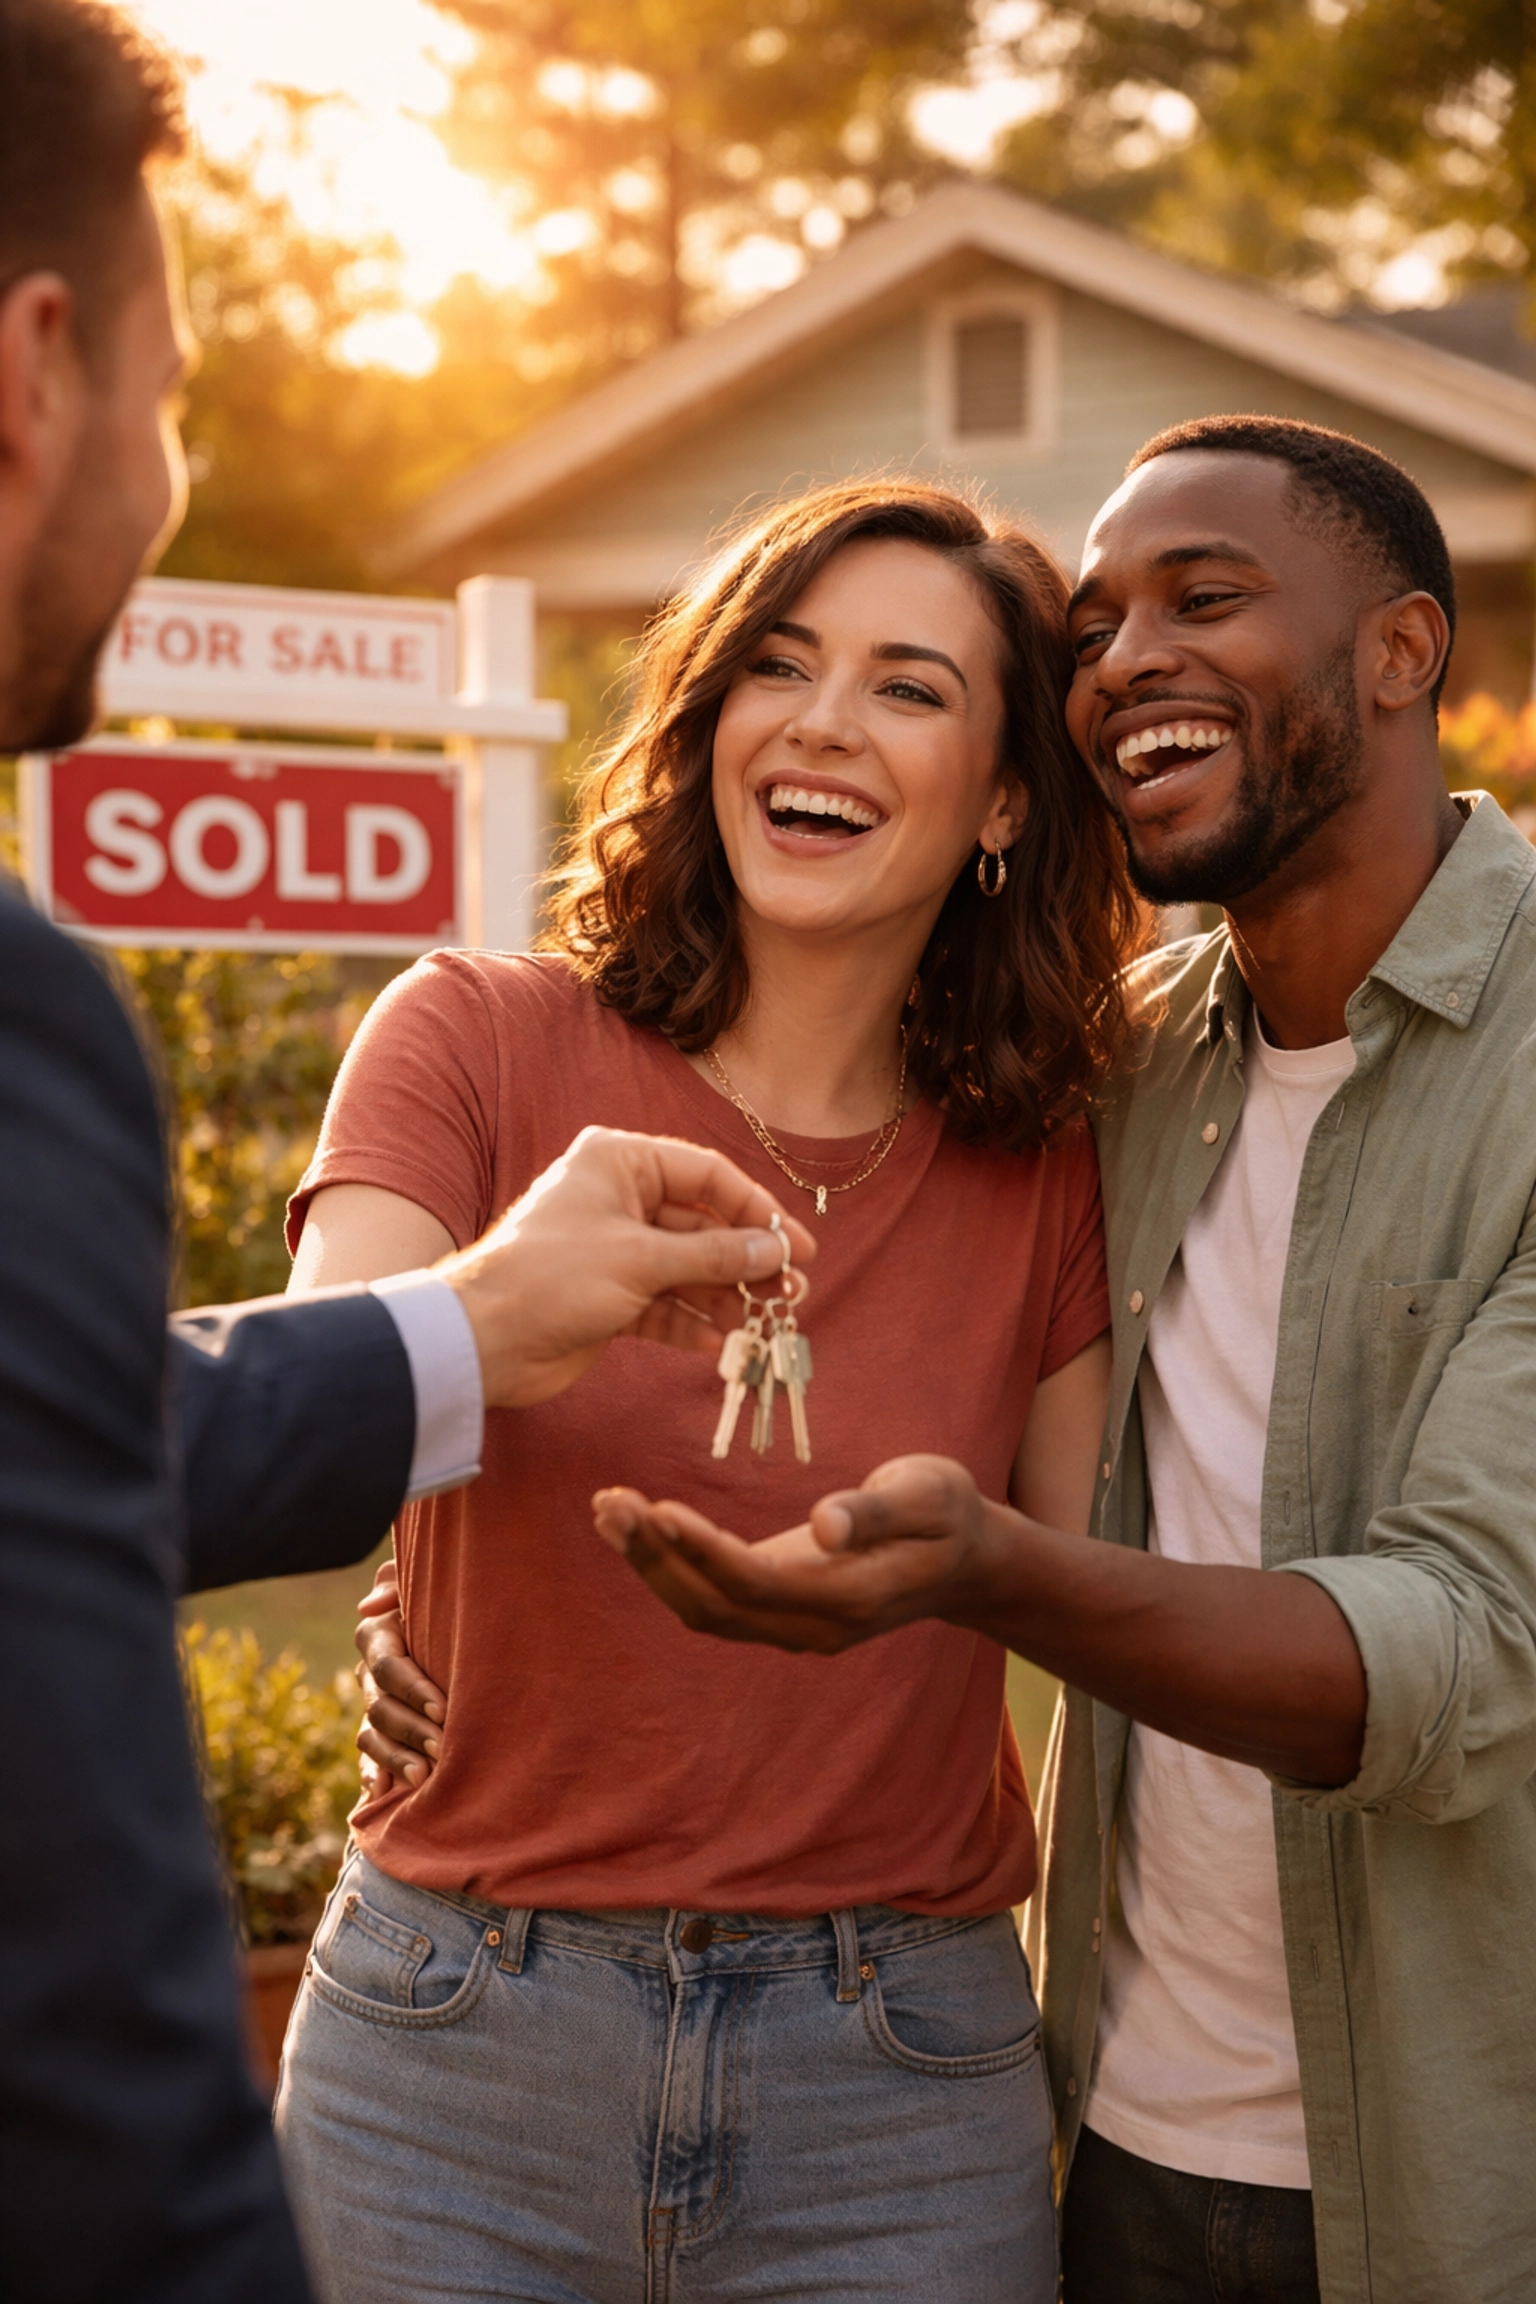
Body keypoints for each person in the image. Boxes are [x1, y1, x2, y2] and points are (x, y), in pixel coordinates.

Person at [0, 5, 810, 2300]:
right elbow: (66, 2014)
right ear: (31, 376)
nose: (164, 485)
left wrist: (461, 1335)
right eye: (167, 403)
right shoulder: (25, 1016)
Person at [585, 417, 1536, 2304]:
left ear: (1404, 651)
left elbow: (1462, 1648)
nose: (1124, 667)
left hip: (1453, 2170)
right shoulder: (1121, 1065)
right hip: (1104, 2130)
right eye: (1094, 629)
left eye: (1207, 599)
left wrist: (993, 1577)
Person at [272, 473, 1141, 2304]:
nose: (823, 722)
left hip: (894, 2076)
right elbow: (317, 1397)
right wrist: (480, 1355)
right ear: (712, 717)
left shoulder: (1049, 1159)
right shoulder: (474, 1036)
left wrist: (952, 1568)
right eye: (780, 664)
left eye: (910, 688)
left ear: (1003, 803)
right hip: (457, 2050)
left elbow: (1099, 1583)